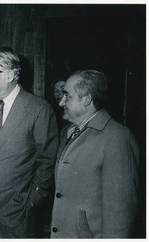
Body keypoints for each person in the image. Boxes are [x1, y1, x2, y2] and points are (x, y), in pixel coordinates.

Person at [0, 46, 59, 238]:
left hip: (16, 206)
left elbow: (47, 161)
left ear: (9, 76)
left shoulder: (38, 109)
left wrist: (32, 201)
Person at [50, 70, 139, 238]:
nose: (61, 102)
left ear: (87, 100)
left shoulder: (117, 137)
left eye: (67, 96)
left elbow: (120, 212)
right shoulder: (67, 132)